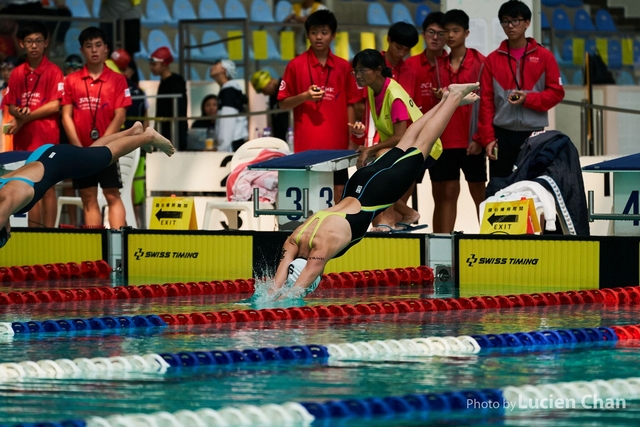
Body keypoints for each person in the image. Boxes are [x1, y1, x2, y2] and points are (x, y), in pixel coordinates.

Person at [268, 83, 480, 300]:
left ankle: (452, 99)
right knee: (406, 142)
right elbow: (279, 278)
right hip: (358, 184)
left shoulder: (323, 245)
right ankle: (445, 100)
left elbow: (305, 279)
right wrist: (275, 293)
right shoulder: (294, 239)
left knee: (423, 144)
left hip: (379, 191)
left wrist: (287, 298)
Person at [0, 122, 174, 249]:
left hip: (58, 161)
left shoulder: (10, 198)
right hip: (43, 156)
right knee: (91, 155)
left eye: (7, 235)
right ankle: (133, 131)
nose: (10, 232)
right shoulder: (4, 195)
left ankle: (148, 136)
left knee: (105, 158)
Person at [350, 49, 441, 232]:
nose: (358, 76)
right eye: (355, 71)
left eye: (362, 71)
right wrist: (369, 148)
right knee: (372, 172)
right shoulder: (372, 89)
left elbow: (400, 136)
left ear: (378, 70)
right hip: (405, 145)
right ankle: (409, 213)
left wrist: (373, 149)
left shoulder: (394, 95)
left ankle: (389, 219)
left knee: (383, 162)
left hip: (424, 147)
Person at [278, 10, 361, 202]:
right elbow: (283, 103)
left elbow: (351, 104)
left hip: (337, 146)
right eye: (314, 32)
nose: (318, 37)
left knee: (339, 194)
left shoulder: (344, 67)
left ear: (333, 36)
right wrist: (305, 96)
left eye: (324, 32)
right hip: (306, 146)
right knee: (310, 196)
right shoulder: (295, 65)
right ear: (307, 34)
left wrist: (351, 140)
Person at [478, 0, 564, 179]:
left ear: (527, 23)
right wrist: (488, 139)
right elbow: (485, 102)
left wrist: (529, 99)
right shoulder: (492, 60)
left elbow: (557, 93)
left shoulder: (544, 57)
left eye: (515, 20)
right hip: (502, 134)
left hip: (534, 133)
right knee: (500, 188)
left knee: (533, 187)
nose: (510, 26)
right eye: (505, 21)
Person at [61, 26, 132, 229]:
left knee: (112, 194)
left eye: (98, 45)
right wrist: (77, 147)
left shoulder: (118, 80)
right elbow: (66, 116)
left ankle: (117, 244)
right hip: (81, 149)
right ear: (82, 50)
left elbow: (120, 116)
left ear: (106, 50)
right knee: (88, 196)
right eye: (88, 46)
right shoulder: (71, 81)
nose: (94, 50)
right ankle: (95, 252)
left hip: (108, 149)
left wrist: (102, 145)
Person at [429, 9, 487, 233]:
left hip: (471, 140)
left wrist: (480, 137)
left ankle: (488, 242)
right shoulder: (438, 64)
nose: (450, 35)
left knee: (479, 195)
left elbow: (485, 103)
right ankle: (443, 245)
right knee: (448, 194)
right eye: (446, 31)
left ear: (467, 32)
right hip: (444, 140)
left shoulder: (480, 63)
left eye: (456, 30)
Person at [3, 21, 63, 228]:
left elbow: (55, 105)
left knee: (48, 188)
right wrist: (17, 113)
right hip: (23, 141)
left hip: (47, 139)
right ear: (21, 44)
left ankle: (49, 232)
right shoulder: (17, 73)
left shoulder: (54, 72)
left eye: (38, 41)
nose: (34, 45)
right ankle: (34, 231)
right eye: (29, 41)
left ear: (46, 43)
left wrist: (25, 118)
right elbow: (10, 104)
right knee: (28, 187)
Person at [405, 12, 447, 113]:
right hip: (415, 124)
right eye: (431, 32)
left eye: (441, 34)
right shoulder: (410, 64)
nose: (435, 37)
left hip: (446, 125)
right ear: (423, 34)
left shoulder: (452, 65)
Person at [148, 46, 188, 151]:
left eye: (154, 64)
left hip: (175, 131)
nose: (151, 67)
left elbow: (178, 110)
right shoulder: (163, 82)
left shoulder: (176, 82)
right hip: (164, 129)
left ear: (164, 64)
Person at [209, 59, 248, 152]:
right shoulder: (228, 91)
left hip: (231, 145)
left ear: (224, 69)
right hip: (234, 143)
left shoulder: (229, 92)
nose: (212, 67)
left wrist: (221, 148)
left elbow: (227, 122)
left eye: (216, 64)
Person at [251, 69, 289, 141]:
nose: (264, 94)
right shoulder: (272, 97)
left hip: (291, 137)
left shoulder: (285, 88)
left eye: (263, 90)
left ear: (269, 82)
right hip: (281, 140)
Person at [1, 57, 17, 153]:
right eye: (3, 70)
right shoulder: (3, 92)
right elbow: (4, 120)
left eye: (9, 69)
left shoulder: (23, 89)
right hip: (7, 134)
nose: (6, 73)